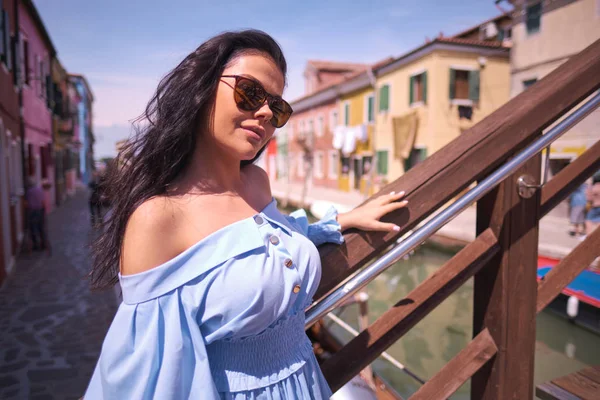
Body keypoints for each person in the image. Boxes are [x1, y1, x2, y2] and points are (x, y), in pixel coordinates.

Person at [85, 30, 408, 399]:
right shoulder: (158, 218)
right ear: (201, 89)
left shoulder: (257, 183)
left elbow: (271, 237)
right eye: (250, 93)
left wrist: (339, 222)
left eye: (278, 106)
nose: (267, 112)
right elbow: (143, 371)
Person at [584, 174, 600, 239]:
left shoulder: (593, 187)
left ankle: (589, 237)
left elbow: (589, 199)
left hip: (594, 206)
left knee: (588, 221)